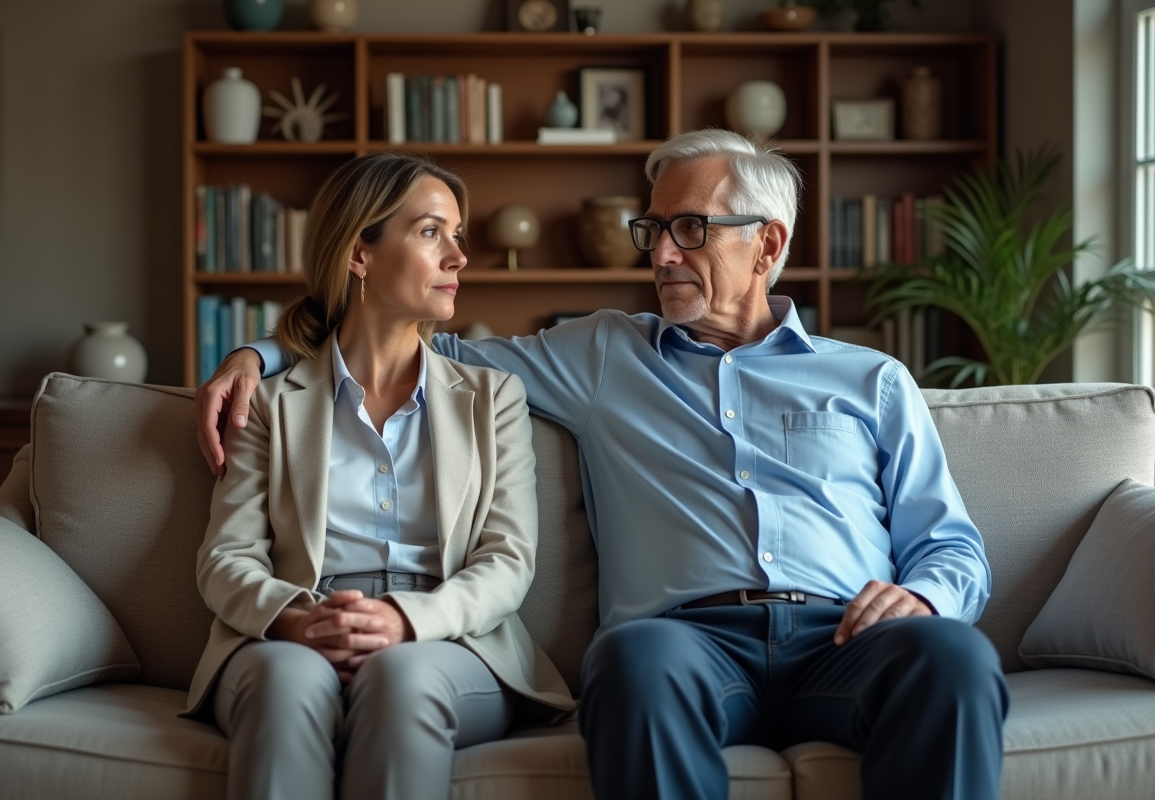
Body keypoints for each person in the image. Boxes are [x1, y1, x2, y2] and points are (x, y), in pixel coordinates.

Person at [198, 130, 1008, 800]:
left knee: (956, 656)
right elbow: (409, 341)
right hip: (687, 644)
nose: (660, 253)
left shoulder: (869, 379)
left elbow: (953, 547)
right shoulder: (600, 354)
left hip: (845, 638)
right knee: (628, 661)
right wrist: (258, 355)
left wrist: (923, 595)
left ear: (769, 243)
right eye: (651, 230)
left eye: (689, 228)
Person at [184, 152, 574, 800]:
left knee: (400, 677)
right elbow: (225, 557)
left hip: (448, 638)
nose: (458, 257)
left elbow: (508, 561)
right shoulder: (273, 403)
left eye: (457, 236)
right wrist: (295, 621)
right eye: (430, 233)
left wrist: (405, 622)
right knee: (286, 683)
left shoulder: (493, 398)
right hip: (304, 628)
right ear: (359, 254)